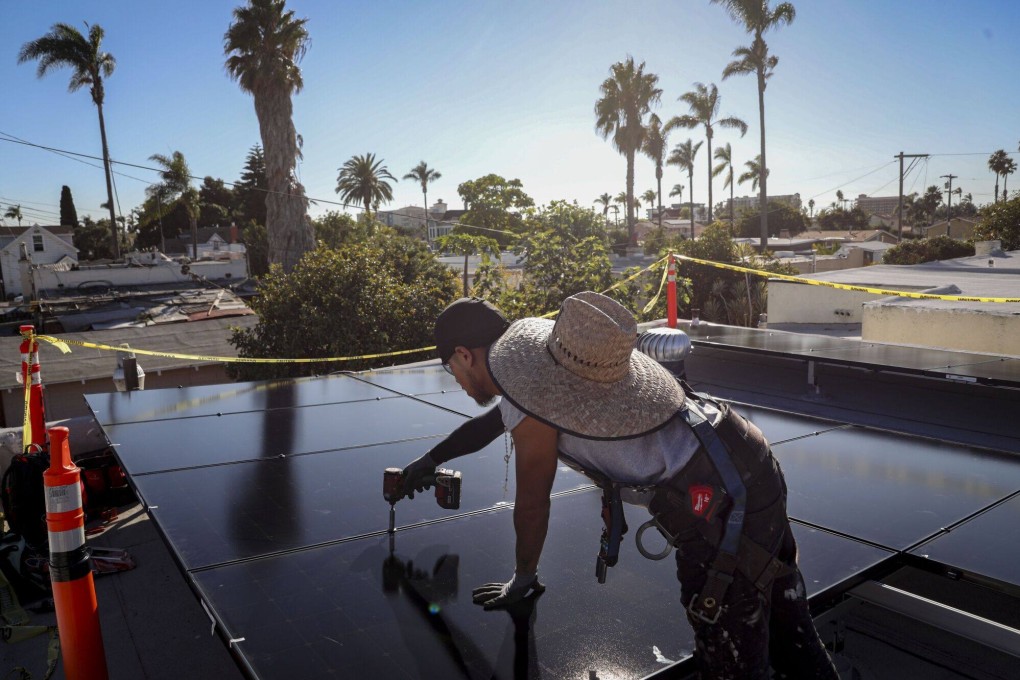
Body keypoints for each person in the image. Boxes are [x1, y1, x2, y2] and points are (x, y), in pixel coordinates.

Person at [401, 292, 838, 679]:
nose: (455, 381)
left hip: (720, 504)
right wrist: (430, 460)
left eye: (450, 369)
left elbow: (533, 503)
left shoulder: (526, 392)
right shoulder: (542, 367)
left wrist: (523, 578)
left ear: (463, 354)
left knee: (731, 657)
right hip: (743, 451)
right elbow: (491, 425)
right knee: (788, 619)